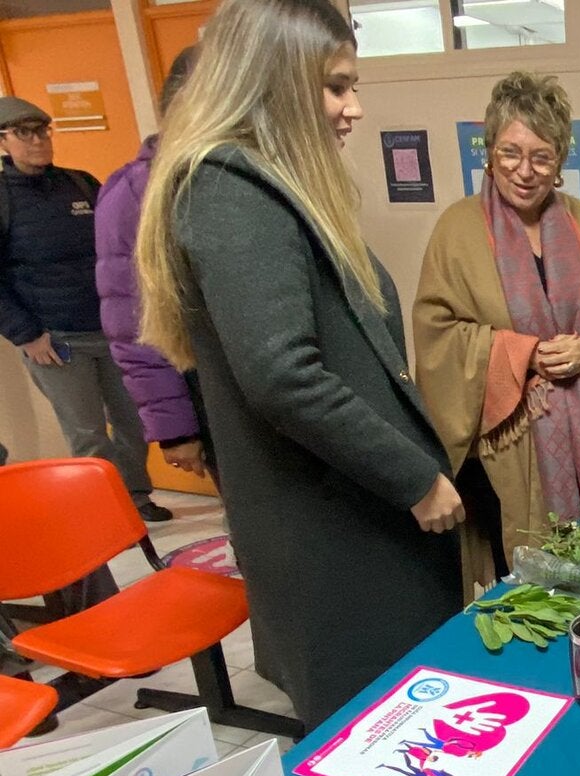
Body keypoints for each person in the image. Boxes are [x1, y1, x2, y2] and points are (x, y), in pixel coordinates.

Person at [136, 0, 463, 727]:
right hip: (330, 537)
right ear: (273, 81)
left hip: (348, 521)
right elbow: (283, 374)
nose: (353, 109)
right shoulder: (230, 191)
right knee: (374, 742)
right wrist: (415, 476)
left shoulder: (269, 187)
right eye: (336, 86)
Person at [414, 71, 580, 598]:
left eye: (542, 156)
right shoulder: (458, 230)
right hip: (508, 454)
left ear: (561, 159)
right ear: (490, 151)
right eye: (510, 153)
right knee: (525, 587)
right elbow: (437, 336)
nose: (525, 171)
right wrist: (519, 353)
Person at [0, 96, 170, 522]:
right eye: (25, 132)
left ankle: (134, 496)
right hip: (55, 342)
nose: (40, 140)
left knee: (134, 421)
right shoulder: (3, 199)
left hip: (112, 330)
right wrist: (26, 335)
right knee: (87, 432)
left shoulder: (81, 184)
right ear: (3, 142)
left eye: (44, 129)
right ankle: (105, 510)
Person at [96, 47, 214, 484]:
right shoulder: (134, 192)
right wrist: (175, 429)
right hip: (205, 396)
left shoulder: (234, 178)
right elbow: (133, 321)